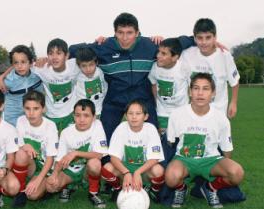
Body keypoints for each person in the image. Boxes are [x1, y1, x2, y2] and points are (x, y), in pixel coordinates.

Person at [69, 12, 195, 143]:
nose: (124, 37)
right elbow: (74, 50)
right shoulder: (104, 47)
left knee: (153, 135)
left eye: (129, 32)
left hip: (143, 97)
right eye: (120, 32)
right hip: (115, 98)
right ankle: (106, 162)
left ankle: (155, 161)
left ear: (137, 33)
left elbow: (179, 43)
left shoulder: (150, 45)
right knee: (104, 136)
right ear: (114, 33)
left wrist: (200, 41)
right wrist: (53, 57)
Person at [165, 73, 244, 208]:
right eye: (196, 88)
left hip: (211, 160)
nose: (200, 93)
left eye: (205, 89)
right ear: (190, 92)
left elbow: (226, 148)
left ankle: (210, 187)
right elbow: (170, 143)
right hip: (185, 159)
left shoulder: (220, 118)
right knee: (171, 178)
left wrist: (226, 167)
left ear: (213, 93)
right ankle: (181, 189)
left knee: (237, 173)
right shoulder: (177, 115)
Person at [46, 99, 108, 209]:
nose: (82, 120)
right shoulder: (66, 133)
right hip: (69, 170)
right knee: (50, 187)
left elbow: (99, 154)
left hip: (86, 170)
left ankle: (93, 193)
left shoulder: (97, 125)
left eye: (86, 115)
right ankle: (69, 186)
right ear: (73, 116)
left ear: (94, 117)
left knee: (95, 164)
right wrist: (54, 175)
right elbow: (59, 159)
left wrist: (75, 153)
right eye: (78, 115)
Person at [101, 99, 165, 202]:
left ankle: (153, 190)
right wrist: (126, 173)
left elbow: (154, 158)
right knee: (107, 168)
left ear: (145, 116)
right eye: (130, 113)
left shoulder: (151, 129)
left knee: (159, 170)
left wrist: (137, 172)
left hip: (143, 169)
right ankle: (118, 189)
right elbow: (114, 157)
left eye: (138, 113)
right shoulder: (121, 128)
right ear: (126, 116)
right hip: (125, 167)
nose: (134, 117)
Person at [180, 18, 240, 119]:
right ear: (194, 38)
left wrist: (233, 102)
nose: (204, 42)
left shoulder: (225, 55)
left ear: (215, 37)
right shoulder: (186, 54)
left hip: (218, 111)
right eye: (200, 38)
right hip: (194, 112)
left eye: (208, 38)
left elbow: (235, 81)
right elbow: (168, 50)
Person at [11, 90, 59, 208]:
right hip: (30, 164)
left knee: (32, 195)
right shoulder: (21, 121)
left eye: (36, 108)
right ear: (23, 108)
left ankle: (43, 187)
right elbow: (16, 145)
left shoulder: (50, 126)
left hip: (44, 167)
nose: (31, 113)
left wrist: (38, 181)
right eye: (27, 108)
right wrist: (24, 146)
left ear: (43, 109)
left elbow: (50, 159)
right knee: (21, 153)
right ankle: (20, 191)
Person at [148, 38, 190, 135]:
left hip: (181, 112)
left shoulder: (184, 68)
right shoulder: (155, 67)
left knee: (180, 140)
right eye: (158, 52)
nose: (158, 56)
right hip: (162, 112)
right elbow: (153, 84)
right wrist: (157, 102)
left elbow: (192, 85)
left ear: (175, 57)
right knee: (164, 141)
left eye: (163, 53)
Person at [2, 45, 43, 126]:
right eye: (16, 62)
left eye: (23, 62)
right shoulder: (8, 81)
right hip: (11, 120)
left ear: (31, 63)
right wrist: (1, 78)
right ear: (12, 65)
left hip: (30, 118)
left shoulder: (38, 76)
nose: (19, 66)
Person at [75, 47, 107, 117]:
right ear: (78, 66)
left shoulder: (101, 72)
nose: (88, 69)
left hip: (101, 110)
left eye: (91, 65)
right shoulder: (76, 75)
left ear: (96, 63)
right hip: (85, 112)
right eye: (84, 66)